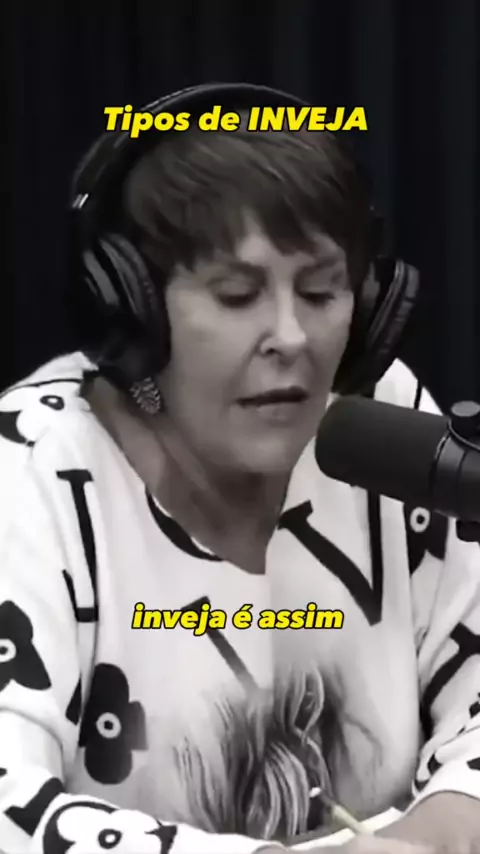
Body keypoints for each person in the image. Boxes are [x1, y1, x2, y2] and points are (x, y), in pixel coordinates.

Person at [1, 82, 480, 854]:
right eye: (236, 295)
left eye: (320, 291)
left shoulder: (380, 419)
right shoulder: (30, 474)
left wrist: (448, 823)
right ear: (131, 313)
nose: (292, 336)